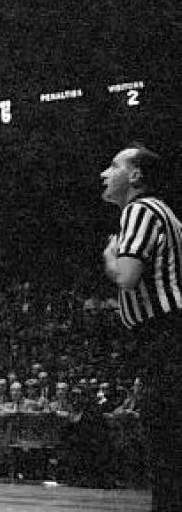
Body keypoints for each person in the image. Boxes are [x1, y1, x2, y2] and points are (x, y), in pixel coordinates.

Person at [100, 141, 182, 511]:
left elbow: (128, 276)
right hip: (164, 337)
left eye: (113, 166)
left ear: (135, 175)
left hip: (164, 336)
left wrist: (110, 258)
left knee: (164, 446)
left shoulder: (140, 210)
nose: (105, 173)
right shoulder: (165, 214)